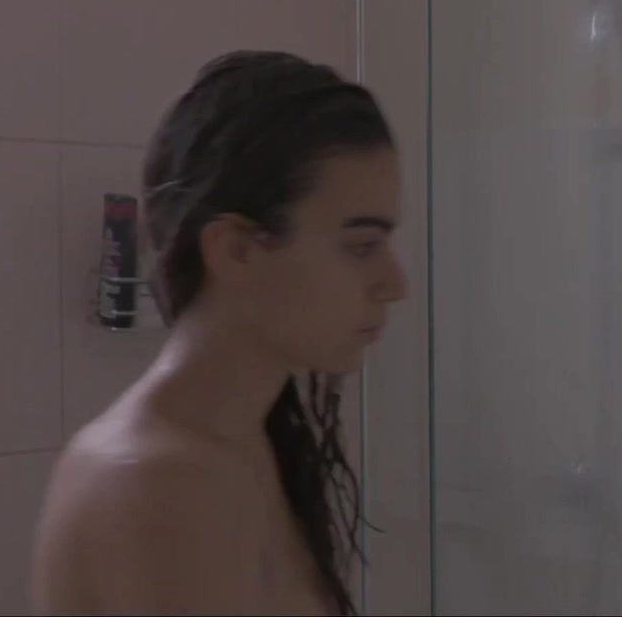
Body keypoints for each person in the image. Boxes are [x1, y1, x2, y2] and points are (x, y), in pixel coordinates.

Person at [30, 50, 407, 616]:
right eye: (361, 246)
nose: (395, 284)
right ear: (236, 251)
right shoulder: (158, 484)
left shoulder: (244, 444)